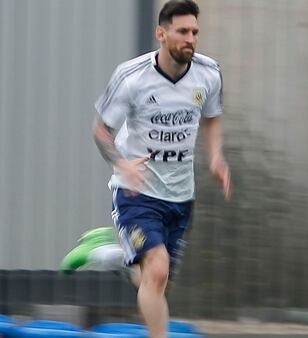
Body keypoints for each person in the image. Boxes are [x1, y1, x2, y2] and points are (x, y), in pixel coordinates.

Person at [64, 1, 231, 337]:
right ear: (161, 33)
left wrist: (216, 157)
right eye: (182, 31)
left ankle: (104, 250)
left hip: (181, 195)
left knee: (153, 282)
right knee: (156, 271)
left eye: (195, 32)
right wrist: (121, 162)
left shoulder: (209, 73)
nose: (191, 39)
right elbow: (100, 130)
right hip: (136, 192)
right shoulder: (132, 77)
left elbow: (212, 118)